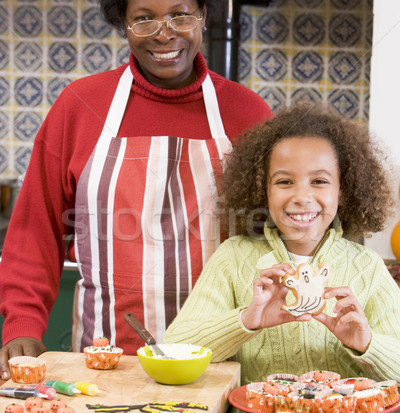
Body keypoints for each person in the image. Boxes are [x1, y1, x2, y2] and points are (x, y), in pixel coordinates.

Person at [0, 0, 272, 380]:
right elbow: (35, 228)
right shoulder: (81, 106)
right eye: (144, 18)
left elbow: (277, 235)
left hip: (224, 362)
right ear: (122, 22)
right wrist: (22, 321)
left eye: (180, 15)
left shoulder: (247, 113)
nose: (164, 34)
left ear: (204, 15)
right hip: (105, 361)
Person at [163, 105, 400, 384]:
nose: (301, 196)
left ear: (343, 191)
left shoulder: (367, 266)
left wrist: (368, 344)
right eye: (285, 181)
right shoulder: (233, 257)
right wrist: (245, 321)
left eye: (319, 181)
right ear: (264, 191)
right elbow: (173, 350)